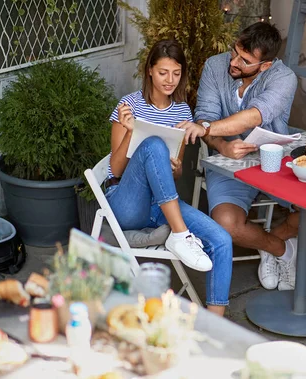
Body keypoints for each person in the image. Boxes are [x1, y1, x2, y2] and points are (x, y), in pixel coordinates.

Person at [185, 22, 306, 292]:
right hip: (229, 163)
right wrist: (221, 145)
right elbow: (204, 114)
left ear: (265, 66)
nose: (234, 62)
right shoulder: (216, 66)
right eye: (234, 52)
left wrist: (206, 129)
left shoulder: (284, 78)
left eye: (244, 60)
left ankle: (274, 238)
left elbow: (254, 116)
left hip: (275, 162)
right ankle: (280, 249)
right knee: (226, 224)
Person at [106, 39, 232, 316]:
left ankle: (216, 329)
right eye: (163, 72)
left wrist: (173, 167)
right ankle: (180, 234)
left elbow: (174, 176)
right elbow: (115, 171)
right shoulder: (127, 106)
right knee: (154, 146)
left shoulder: (182, 111)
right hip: (125, 202)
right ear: (150, 70)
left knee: (222, 240)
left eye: (176, 73)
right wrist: (131, 131)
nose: (170, 80)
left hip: (161, 204)